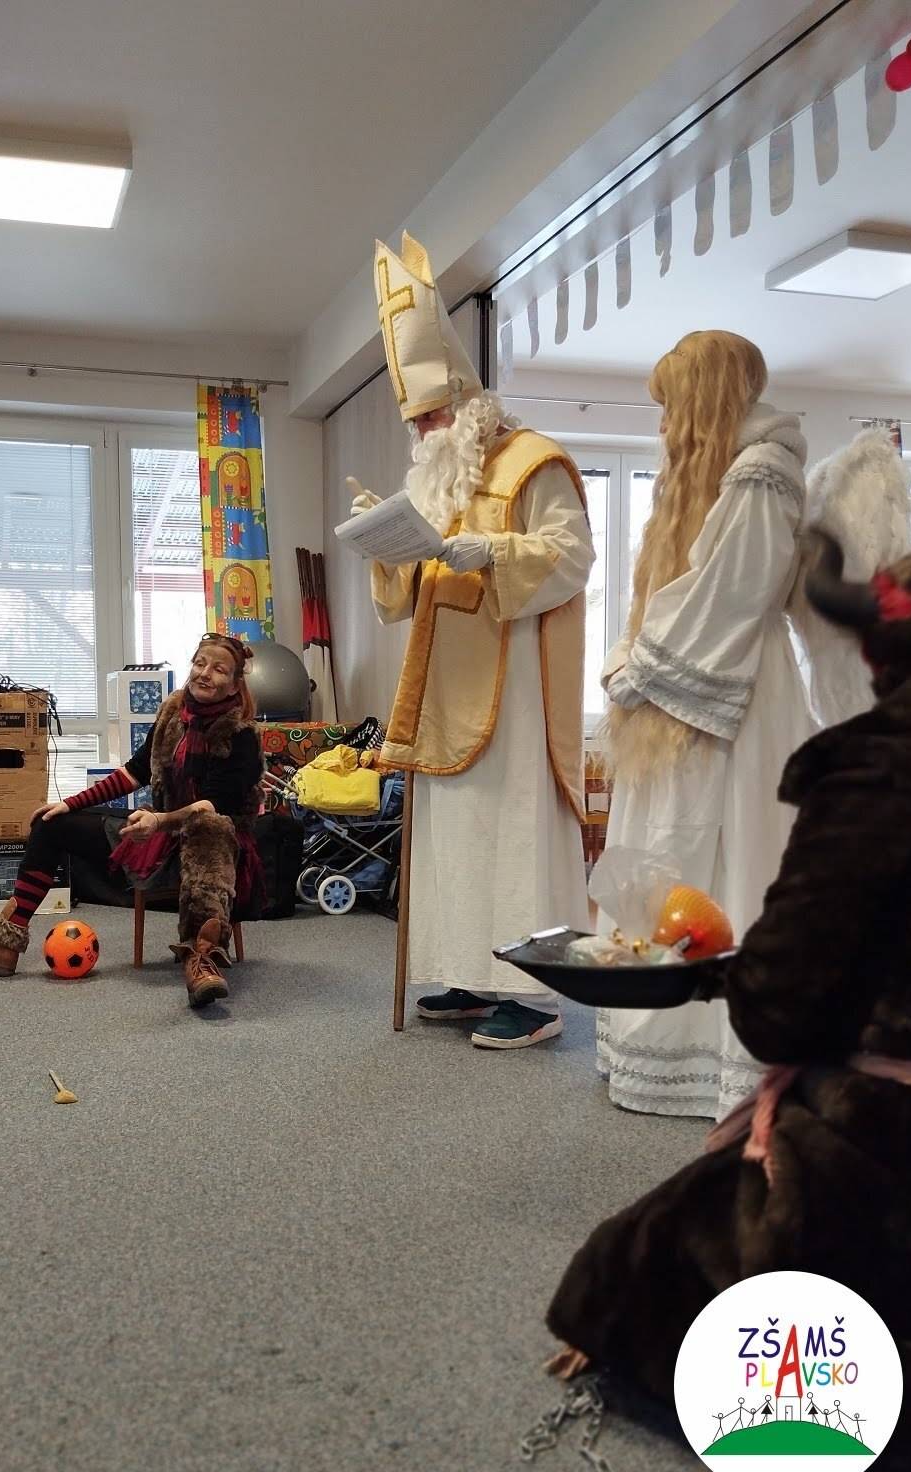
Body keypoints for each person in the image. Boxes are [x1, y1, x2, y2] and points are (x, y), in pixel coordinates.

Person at [545, 535, 911, 1472]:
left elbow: (781, 1009)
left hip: (907, 1130)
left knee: (640, 1262)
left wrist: (736, 972)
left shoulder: (882, 768)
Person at [349, 231, 594, 1049]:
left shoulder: (535, 463)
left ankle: (531, 995)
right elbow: (407, 594)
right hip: (440, 691)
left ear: (466, 402)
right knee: (453, 839)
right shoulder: (437, 476)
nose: (422, 432)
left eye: (430, 416)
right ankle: (465, 971)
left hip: (514, 692)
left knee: (511, 835)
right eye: (415, 422)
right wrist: (384, 545)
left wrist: (491, 552)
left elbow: (571, 558)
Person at [596, 331, 817, 1119]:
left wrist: (638, 671)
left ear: (700, 401)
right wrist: (628, 657)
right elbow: (684, 590)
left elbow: (730, 594)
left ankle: (719, 1056)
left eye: (669, 408)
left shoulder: (762, 472)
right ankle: (654, 1036)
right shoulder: (733, 470)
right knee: (671, 848)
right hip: (692, 689)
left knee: (722, 856)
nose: (662, 427)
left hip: (731, 694)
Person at [0, 634, 264, 1008]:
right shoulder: (174, 713)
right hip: (161, 832)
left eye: (218, 669)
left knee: (209, 826)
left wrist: (158, 821)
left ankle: (203, 958)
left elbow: (212, 805)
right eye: (200, 663)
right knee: (50, 823)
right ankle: (2, 941)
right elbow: (134, 772)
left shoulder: (241, 734)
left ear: (234, 684)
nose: (205, 673)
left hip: (216, 849)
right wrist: (70, 804)